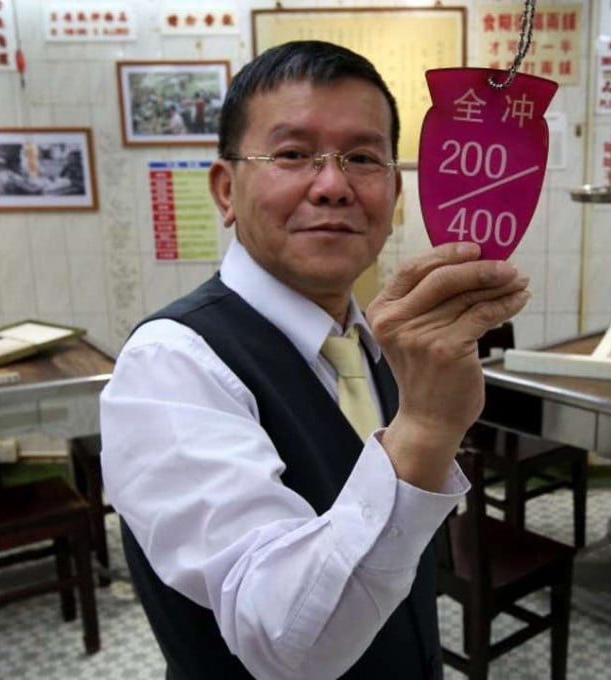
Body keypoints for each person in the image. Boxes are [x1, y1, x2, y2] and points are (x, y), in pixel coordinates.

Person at [99, 40, 530, 680]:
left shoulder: (375, 340)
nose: (332, 186)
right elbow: (285, 644)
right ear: (225, 189)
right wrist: (428, 428)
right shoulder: (171, 364)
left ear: (395, 190)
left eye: (362, 158)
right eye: (293, 154)